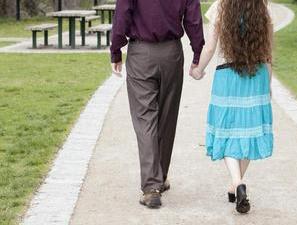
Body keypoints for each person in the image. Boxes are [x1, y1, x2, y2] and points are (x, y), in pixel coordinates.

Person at [110, 0, 205, 209]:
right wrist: (197, 51)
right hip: (172, 53)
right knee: (167, 118)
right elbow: (193, 18)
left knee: (145, 119)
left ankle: (152, 186)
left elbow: (122, 14)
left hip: (141, 54)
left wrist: (115, 50)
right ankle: (158, 178)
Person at [190, 0, 274, 214]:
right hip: (257, 76)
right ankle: (235, 186)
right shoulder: (262, 7)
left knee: (226, 132)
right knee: (249, 133)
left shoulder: (221, 6)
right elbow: (268, 54)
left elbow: (210, 47)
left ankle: (237, 184)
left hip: (228, 78)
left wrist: (198, 70)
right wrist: (268, 85)